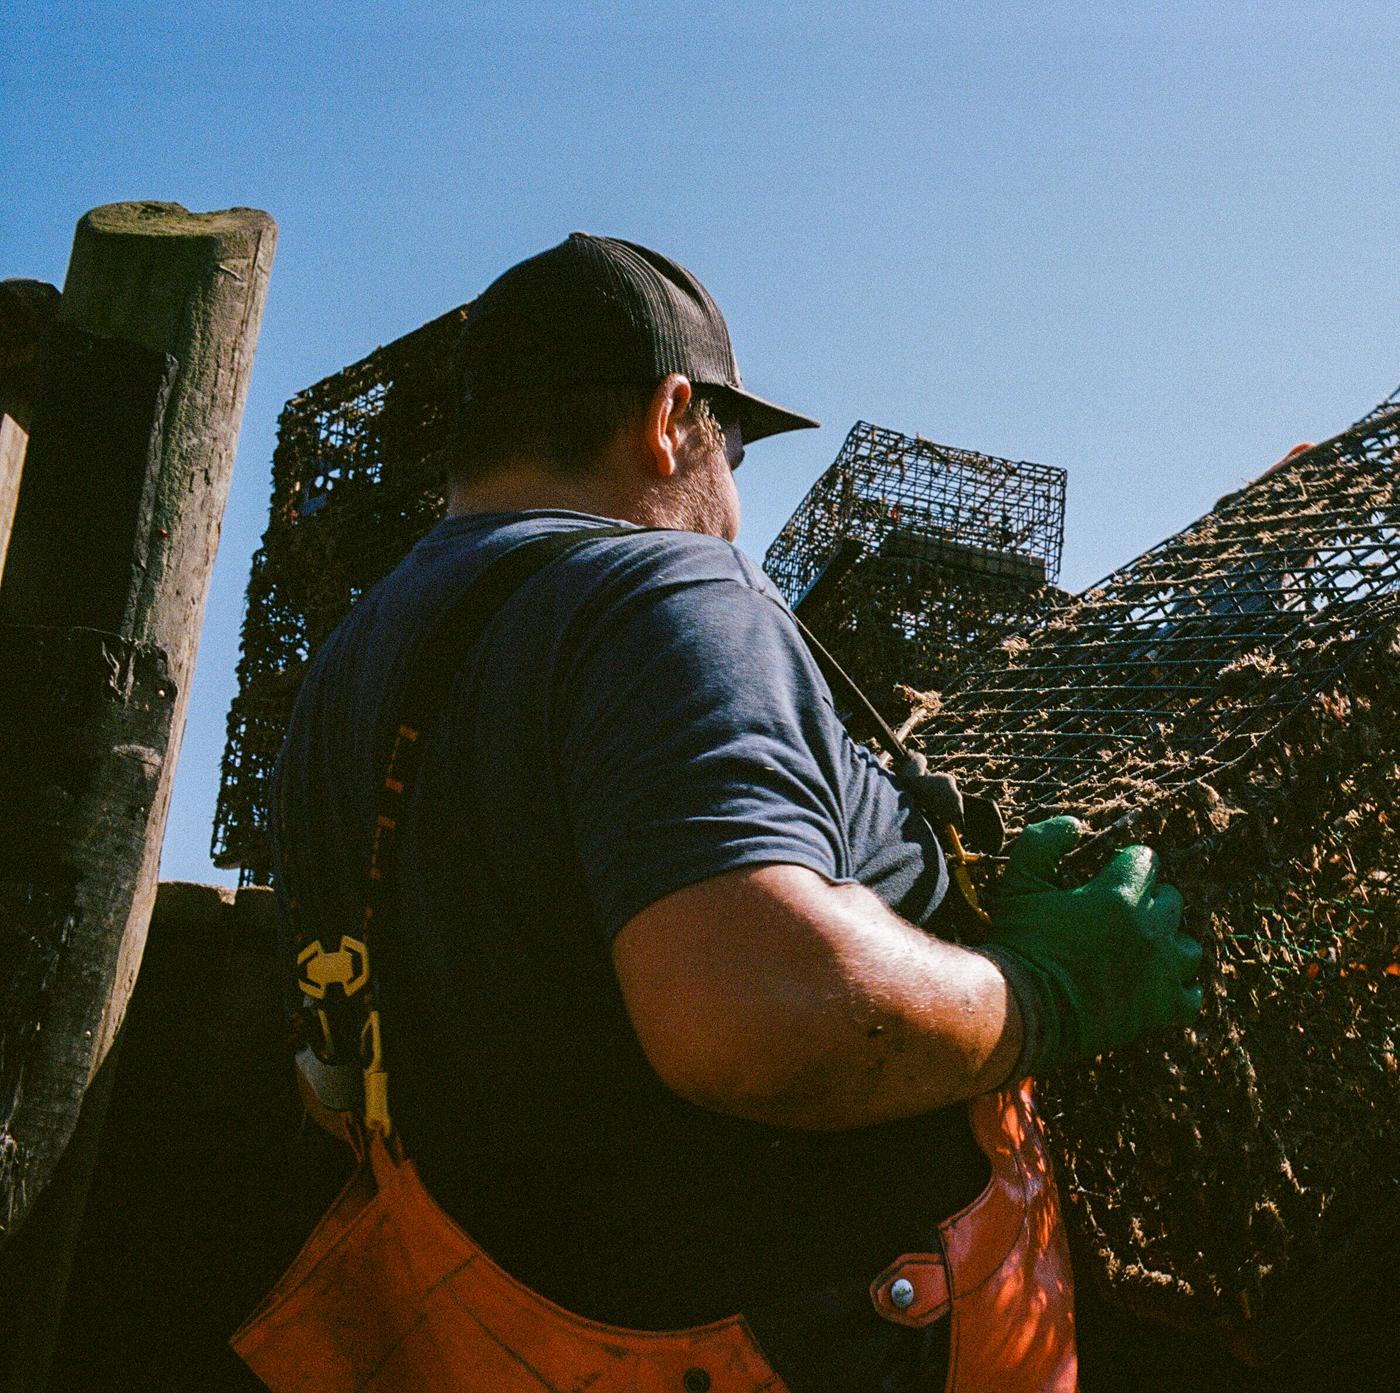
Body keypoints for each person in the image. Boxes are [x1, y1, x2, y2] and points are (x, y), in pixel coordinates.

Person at [265, 233, 1202, 1393]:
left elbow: (332, 1078)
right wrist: (1048, 994)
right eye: (737, 446)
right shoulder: (663, 587)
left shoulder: (347, 677)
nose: (737, 503)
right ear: (671, 417)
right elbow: (755, 1008)